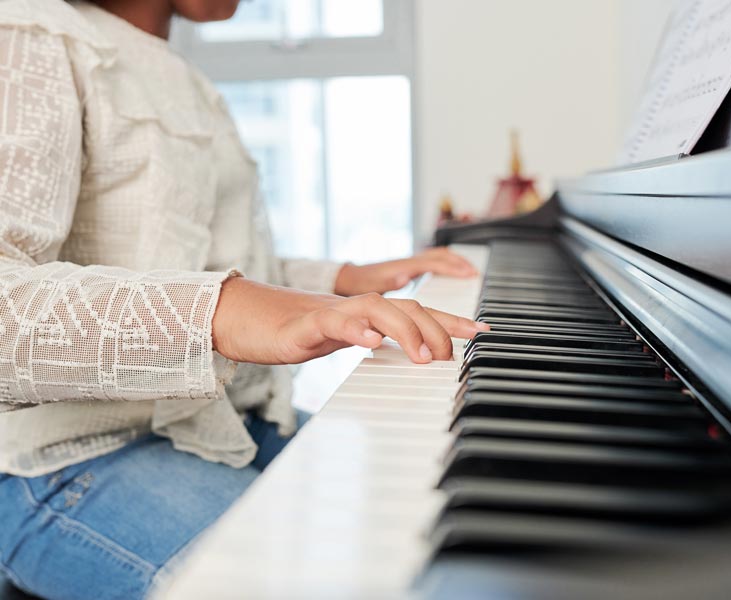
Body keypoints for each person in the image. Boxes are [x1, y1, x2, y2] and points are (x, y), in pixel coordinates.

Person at [0, 0, 487, 598]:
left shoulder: (177, 72)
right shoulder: (28, 33)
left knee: (433, 498)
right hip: (65, 461)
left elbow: (199, 265)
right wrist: (222, 309)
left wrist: (345, 277)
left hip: (222, 420)